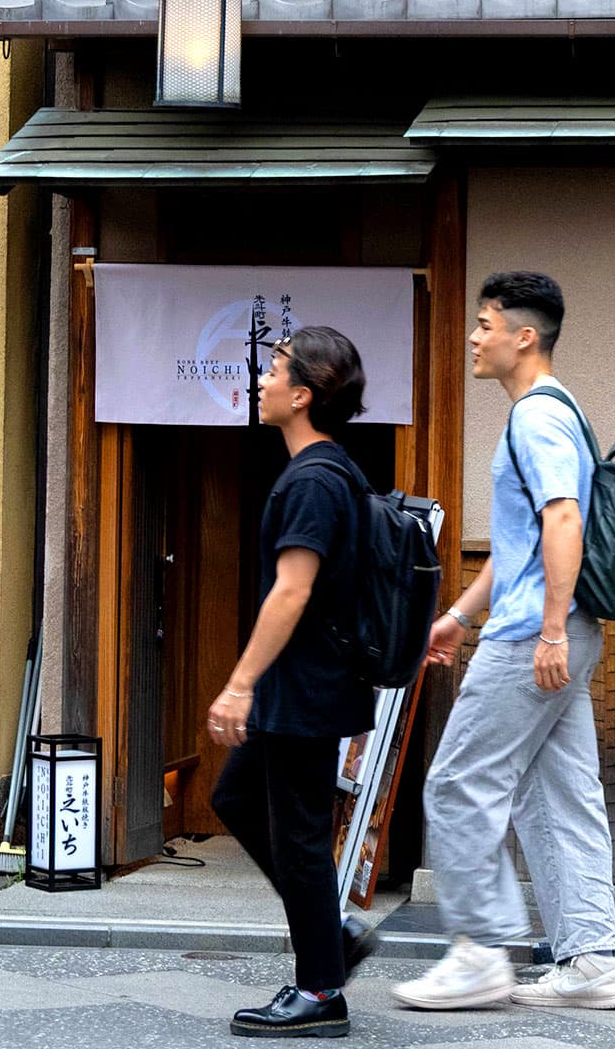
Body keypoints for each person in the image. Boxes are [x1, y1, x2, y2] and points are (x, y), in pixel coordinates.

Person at [392, 271, 615, 1012]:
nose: (474, 335)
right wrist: (458, 618)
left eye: (486, 323)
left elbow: (563, 523)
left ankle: (480, 953)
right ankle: (591, 962)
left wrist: (549, 631)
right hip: (554, 629)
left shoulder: (535, 418)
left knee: (459, 783)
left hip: (536, 636)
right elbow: (518, 544)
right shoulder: (557, 412)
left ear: (524, 336)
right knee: (560, 798)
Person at [208, 325, 379, 1039]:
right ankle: (331, 937)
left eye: (274, 369)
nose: (263, 380)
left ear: (303, 394)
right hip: (306, 684)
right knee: (237, 795)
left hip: (302, 688)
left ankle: (319, 991)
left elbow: (292, 590)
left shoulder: (312, 479)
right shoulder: (332, 468)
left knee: (301, 836)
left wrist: (240, 682)